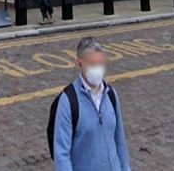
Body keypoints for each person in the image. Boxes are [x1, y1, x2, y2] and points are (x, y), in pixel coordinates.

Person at [50, 37, 131, 171]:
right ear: (79, 64)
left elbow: (119, 141)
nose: (98, 69)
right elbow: (61, 154)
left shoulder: (111, 95)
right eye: (92, 64)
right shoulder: (68, 101)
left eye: (101, 64)